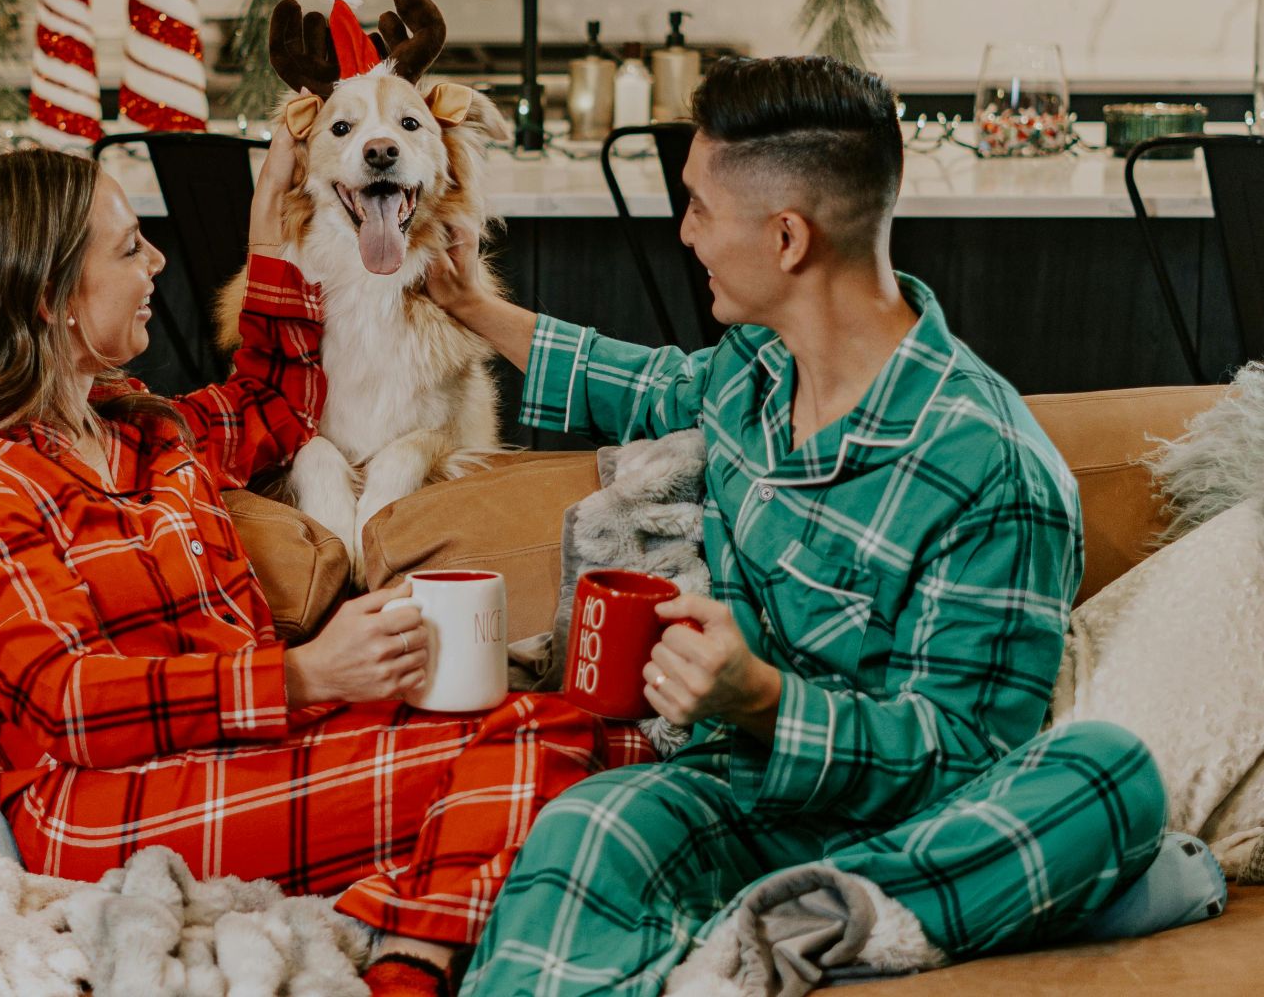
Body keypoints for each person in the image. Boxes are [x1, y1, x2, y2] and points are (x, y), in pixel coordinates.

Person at [424, 56, 1189, 995]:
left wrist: (763, 700)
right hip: (742, 794)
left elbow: (963, 758)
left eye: (699, 207)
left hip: (914, 829)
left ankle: (782, 934)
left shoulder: (991, 467)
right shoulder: (753, 370)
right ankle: (786, 938)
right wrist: (471, 304)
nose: (685, 231)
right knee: (589, 823)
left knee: (1109, 778)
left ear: (787, 238)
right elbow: (642, 383)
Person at [0, 142, 652, 997]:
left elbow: (279, 401)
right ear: (52, 299)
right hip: (101, 803)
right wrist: (304, 675)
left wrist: (271, 221)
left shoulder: (143, 430)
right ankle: (411, 970)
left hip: (245, 747)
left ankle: (412, 919)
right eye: (128, 249)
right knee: (544, 743)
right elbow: (66, 698)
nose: (158, 261)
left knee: (616, 739)